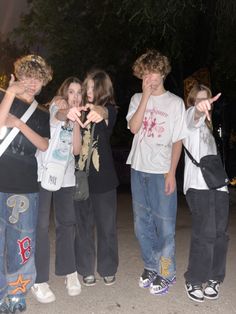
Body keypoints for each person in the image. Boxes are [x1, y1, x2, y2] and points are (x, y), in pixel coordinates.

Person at [126, 49, 186, 295]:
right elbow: (133, 127)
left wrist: (171, 172)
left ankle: (167, 271)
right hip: (138, 168)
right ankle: (151, 266)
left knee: (165, 226)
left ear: (163, 72)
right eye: (146, 73)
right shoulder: (136, 98)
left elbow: (177, 141)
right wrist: (145, 98)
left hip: (161, 171)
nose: (150, 77)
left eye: (154, 72)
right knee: (142, 225)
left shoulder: (175, 103)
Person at [0, 54, 52, 313]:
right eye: (28, 77)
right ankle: (1, 294)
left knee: (22, 242)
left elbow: (44, 144)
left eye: (38, 79)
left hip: (25, 185)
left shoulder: (42, 113)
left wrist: (19, 124)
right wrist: (9, 93)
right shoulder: (2, 96)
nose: (33, 84)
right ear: (18, 77)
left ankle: (17, 292)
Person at [31, 77, 82, 304]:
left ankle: (69, 271)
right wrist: (66, 113)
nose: (75, 96)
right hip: (44, 173)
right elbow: (57, 116)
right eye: (71, 91)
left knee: (67, 223)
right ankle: (39, 278)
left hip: (66, 176)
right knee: (41, 225)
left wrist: (77, 123)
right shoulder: (57, 104)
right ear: (64, 93)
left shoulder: (77, 114)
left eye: (79, 93)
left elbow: (77, 150)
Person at [67, 69, 119, 287]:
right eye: (86, 87)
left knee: (107, 227)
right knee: (83, 226)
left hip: (104, 180)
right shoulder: (76, 110)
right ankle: (86, 269)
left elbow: (104, 113)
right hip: (80, 178)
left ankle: (108, 268)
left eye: (92, 87)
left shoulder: (110, 110)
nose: (88, 91)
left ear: (102, 89)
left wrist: (99, 110)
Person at [183, 83, 229, 302]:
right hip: (197, 186)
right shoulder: (188, 119)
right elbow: (193, 116)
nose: (204, 103)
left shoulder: (210, 128)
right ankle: (194, 278)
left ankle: (214, 277)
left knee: (220, 233)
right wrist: (199, 108)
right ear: (192, 101)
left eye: (207, 99)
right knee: (205, 233)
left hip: (218, 185)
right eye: (199, 99)